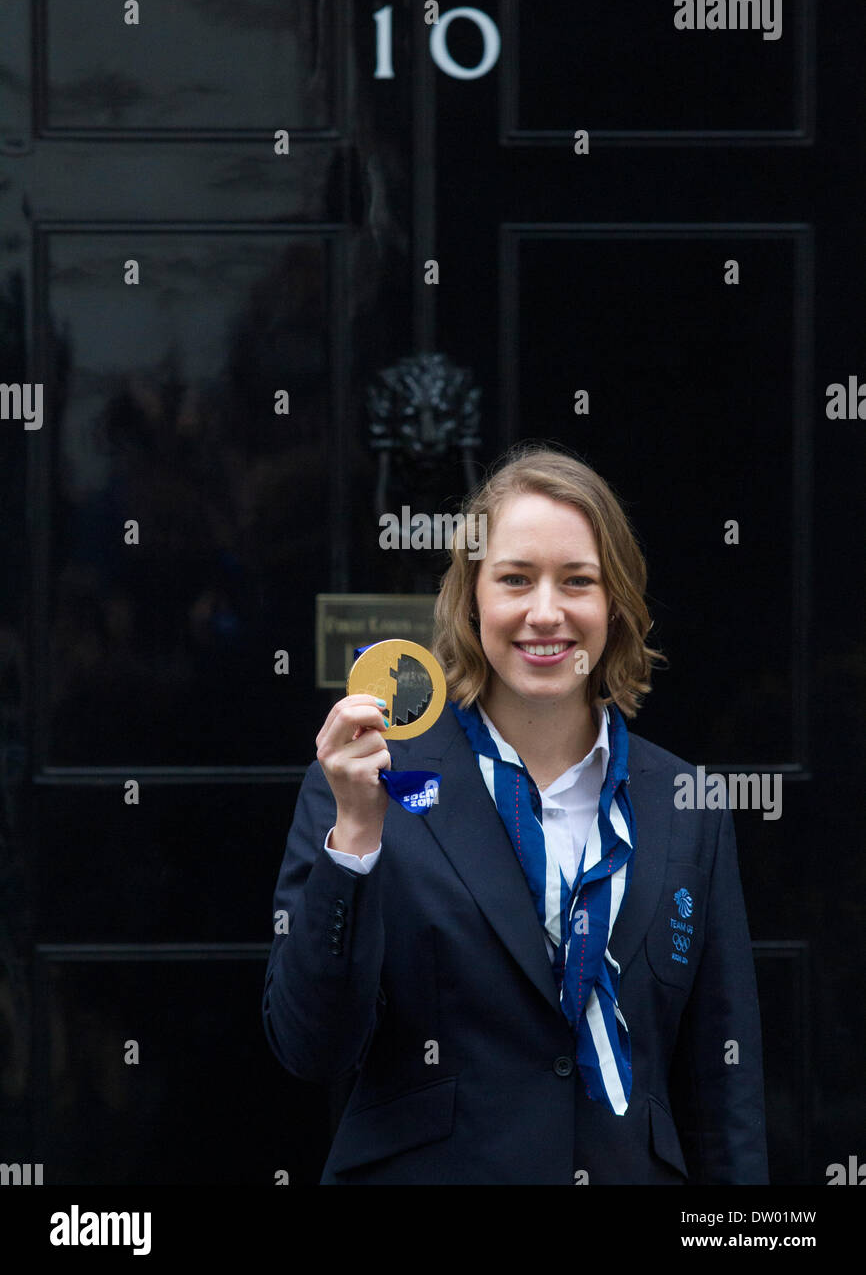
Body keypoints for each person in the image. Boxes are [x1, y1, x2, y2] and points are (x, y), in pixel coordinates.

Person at [262, 444, 769, 1184]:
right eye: (514, 580)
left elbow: (723, 1089)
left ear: (617, 602)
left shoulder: (686, 804)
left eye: (578, 582)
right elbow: (311, 1047)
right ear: (471, 599)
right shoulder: (372, 779)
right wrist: (357, 839)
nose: (545, 612)